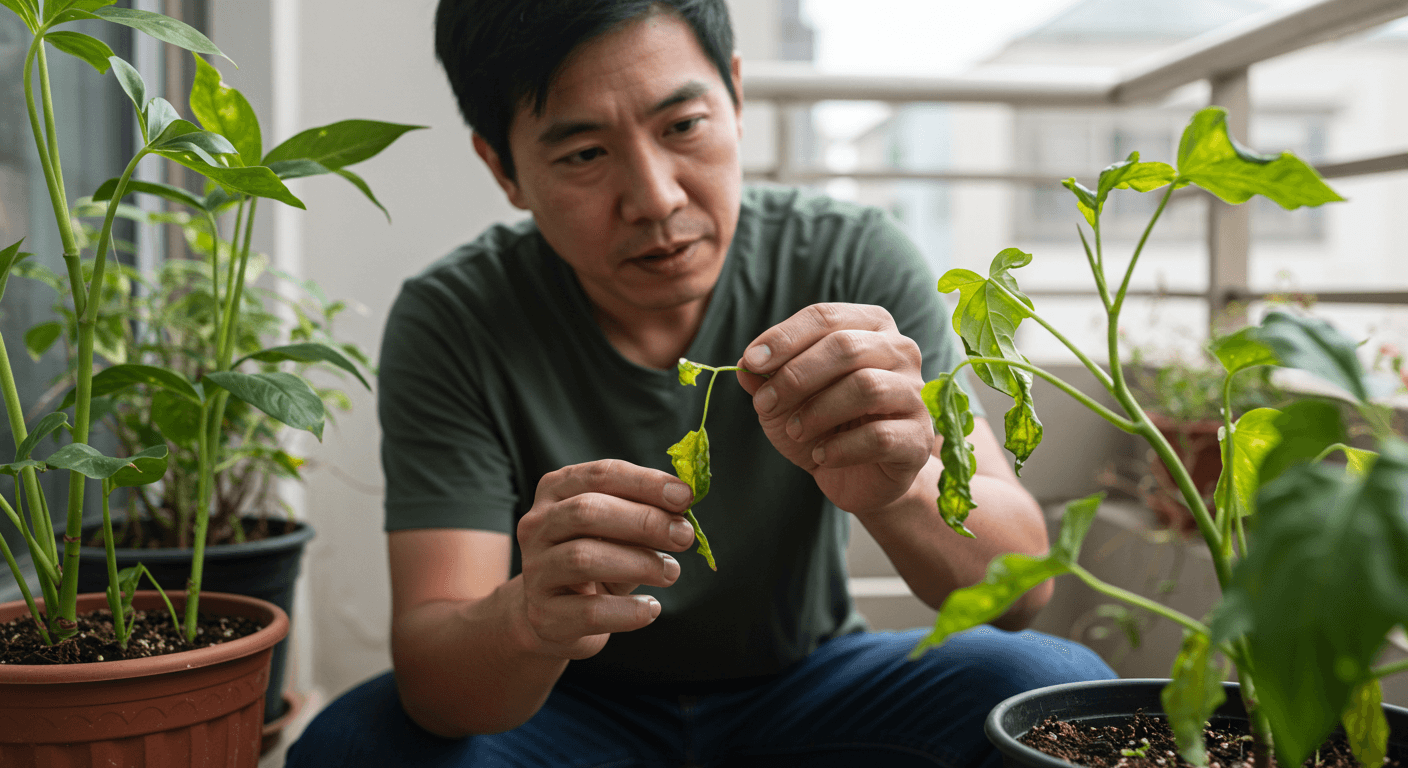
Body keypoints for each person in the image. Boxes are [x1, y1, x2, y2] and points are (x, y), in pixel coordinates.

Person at [287, 1, 1115, 765]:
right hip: (568, 710)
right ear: (503, 169)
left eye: (683, 124)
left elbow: (1022, 588)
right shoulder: (456, 318)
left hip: (812, 686)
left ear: (737, 95)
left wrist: (899, 490)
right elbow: (438, 679)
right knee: (356, 744)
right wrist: (529, 617)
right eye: (583, 154)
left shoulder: (848, 263)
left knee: (1046, 678)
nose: (654, 197)